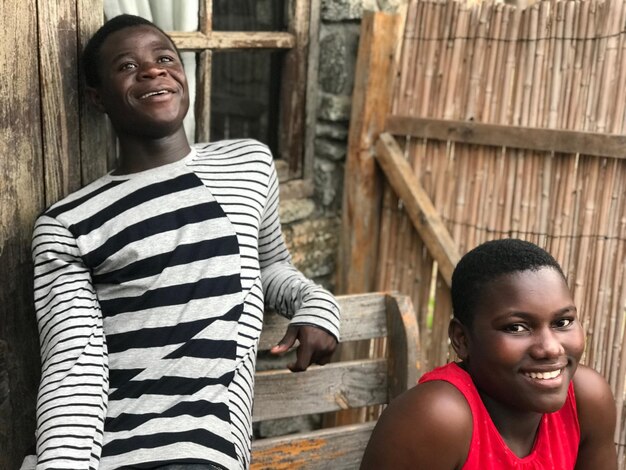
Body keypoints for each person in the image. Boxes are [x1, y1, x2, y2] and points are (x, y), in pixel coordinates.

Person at [24, 14, 340, 470]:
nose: (152, 70)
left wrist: (316, 305)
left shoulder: (248, 165)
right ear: (97, 99)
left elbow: (270, 265)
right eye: (127, 66)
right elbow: (75, 369)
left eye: (164, 57)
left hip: (207, 449)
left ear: (183, 73)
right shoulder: (70, 224)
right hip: (121, 452)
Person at [360, 238, 617, 470]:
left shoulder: (586, 400)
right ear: (462, 339)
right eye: (516, 327)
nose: (550, 348)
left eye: (562, 322)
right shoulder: (439, 418)